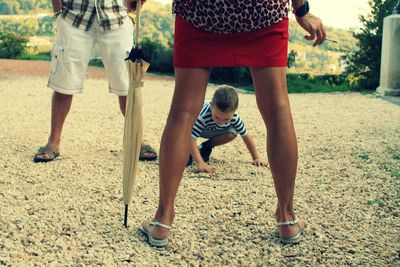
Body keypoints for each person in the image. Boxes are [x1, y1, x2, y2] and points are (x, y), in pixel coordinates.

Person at [140, 0, 326, 247]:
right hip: (262, 12)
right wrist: (301, 10)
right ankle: (287, 218)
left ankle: (163, 220)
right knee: (278, 110)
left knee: (183, 112)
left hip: (201, 11)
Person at [33, 0, 157, 163]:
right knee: (64, 82)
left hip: (116, 17)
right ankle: (53, 141)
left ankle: (136, 140)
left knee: (127, 85)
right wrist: (58, 13)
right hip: (74, 16)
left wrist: (135, 5)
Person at [186, 85, 267, 173]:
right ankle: (187, 151)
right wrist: (200, 163)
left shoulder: (234, 117)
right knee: (185, 156)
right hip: (199, 129)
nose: (220, 121)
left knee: (232, 132)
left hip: (215, 131)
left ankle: (206, 146)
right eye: (217, 117)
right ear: (211, 106)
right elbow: (190, 138)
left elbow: (246, 136)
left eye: (226, 119)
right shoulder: (203, 115)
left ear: (234, 111)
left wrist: (256, 157)